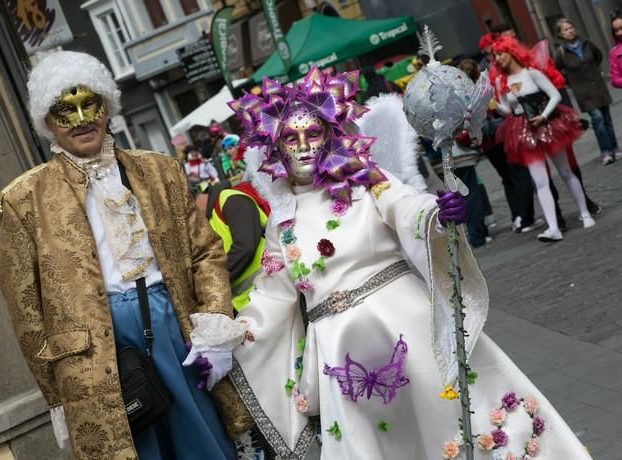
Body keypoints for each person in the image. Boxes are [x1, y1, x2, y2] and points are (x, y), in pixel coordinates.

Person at [212, 66, 592, 459]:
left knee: (455, 422)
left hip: (410, 330)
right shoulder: (282, 220)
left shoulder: (364, 181)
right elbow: (273, 296)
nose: (304, 145)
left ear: (331, 133)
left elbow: (406, 207)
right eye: (291, 138)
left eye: (314, 133)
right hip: (344, 361)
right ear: (275, 147)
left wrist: (437, 215)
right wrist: (229, 337)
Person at [0, 50, 250, 459]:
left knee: (202, 440)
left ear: (108, 106)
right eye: (65, 110)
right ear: (47, 122)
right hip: (93, 354)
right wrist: (57, 397)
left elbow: (205, 251)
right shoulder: (23, 200)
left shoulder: (159, 170)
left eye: (89, 104)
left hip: (173, 323)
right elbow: (26, 310)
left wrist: (217, 321)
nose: (81, 120)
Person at [492, 37, 596, 242]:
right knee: (540, 181)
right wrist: (493, 102)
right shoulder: (502, 82)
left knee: (565, 171)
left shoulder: (532, 73)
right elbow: (508, 111)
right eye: (495, 55)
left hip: (547, 126)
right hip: (524, 130)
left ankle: (585, 214)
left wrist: (544, 116)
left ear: (511, 52)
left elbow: (555, 95)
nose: (497, 58)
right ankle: (553, 228)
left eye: (500, 53)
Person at [460, 57, 545, 233]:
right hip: (503, 136)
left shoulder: (464, 96)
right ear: (477, 71)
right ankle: (525, 217)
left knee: (507, 178)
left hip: (487, 143)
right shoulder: (487, 87)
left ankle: (517, 216)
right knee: (520, 175)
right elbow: (502, 109)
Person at [206, 149, 271, 312]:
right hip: (250, 305)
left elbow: (245, 246)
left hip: (273, 291)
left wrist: (212, 282)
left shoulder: (229, 199)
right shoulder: (210, 218)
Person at [555, 18, 621, 165]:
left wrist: (595, 70)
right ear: (560, 35)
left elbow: (598, 56)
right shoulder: (561, 52)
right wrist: (569, 81)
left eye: (571, 27)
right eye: (565, 29)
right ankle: (605, 152)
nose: (570, 31)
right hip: (583, 92)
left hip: (599, 87)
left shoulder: (587, 44)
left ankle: (615, 148)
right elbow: (556, 70)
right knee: (597, 119)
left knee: (607, 119)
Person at [609, 9, 622, 89]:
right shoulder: (614, 53)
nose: (619, 33)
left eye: (621, 28)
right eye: (616, 30)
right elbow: (615, 80)